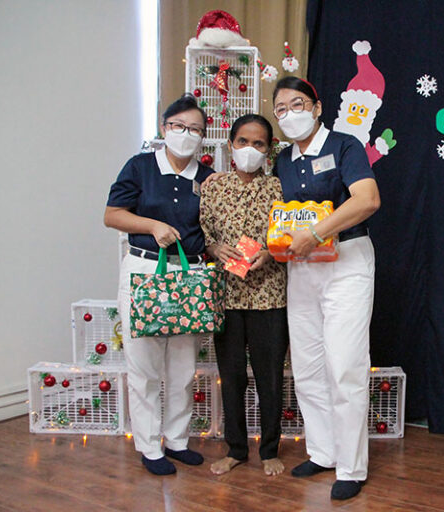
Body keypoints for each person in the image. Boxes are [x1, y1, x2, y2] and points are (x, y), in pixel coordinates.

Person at [271, 76, 381, 501]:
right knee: (308, 366)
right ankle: (322, 451)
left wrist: (317, 232)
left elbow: (367, 199)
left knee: (345, 365)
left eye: (298, 104)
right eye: (281, 109)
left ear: (317, 108)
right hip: (302, 268)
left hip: (346, 263)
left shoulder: (344, 146)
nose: (290, 114)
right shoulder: (283, 160)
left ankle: (351, 467)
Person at [104, 94, 214, 476]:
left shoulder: (206, 178)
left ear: (203, 136)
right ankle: (150, 446)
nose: (186, 134)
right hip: (145, 271)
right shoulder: (140, 166)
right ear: (164, 127)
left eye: (195, 129)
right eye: (179, 126)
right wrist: (152, 225)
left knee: (183, 367)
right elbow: (112, 215)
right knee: (144, 366)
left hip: (189, 276)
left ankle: (178, 440)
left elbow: (210, 228)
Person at [199, 114, 289, 476]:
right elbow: (205, 233)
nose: (250, 149)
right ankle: (235, 449)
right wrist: (214, 248)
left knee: (270, 377)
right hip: (227, 296)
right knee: (231, 375)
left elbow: (289, 234)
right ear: (230, 144)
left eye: (258, 143)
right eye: (243, 142)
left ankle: (269, 450)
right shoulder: (213, 186)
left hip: (270, 294)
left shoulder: (279, 188)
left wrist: (270, 253)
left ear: (268, 150)